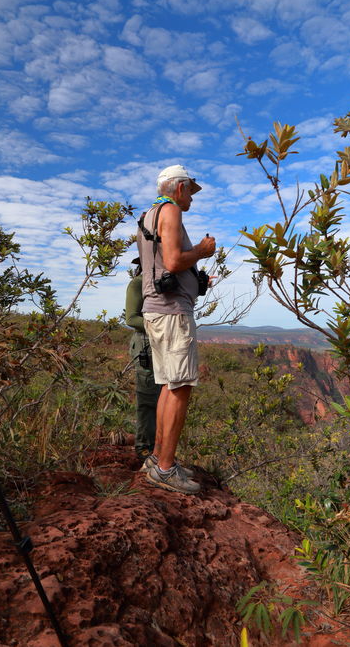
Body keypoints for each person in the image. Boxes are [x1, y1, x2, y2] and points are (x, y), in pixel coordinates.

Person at [136, 164, 216, 494]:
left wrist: (194, 277)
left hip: (157, 310)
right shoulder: (170, 211)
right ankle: (166, 469)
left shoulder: (149, 215)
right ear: (180, 188)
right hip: (172, 313)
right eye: (191, 192)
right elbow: (171, 262)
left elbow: (160, 264)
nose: (192, 198)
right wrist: (201, 251)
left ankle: (158, 458)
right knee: (181, 386)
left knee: (170, 385)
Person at [125, 258, 161, 461]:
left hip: (161, 345)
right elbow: (131, 318)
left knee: (162, 397)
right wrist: (161, 326)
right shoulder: (138, 283)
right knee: (148, 398)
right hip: (146, 345)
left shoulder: (160, 283)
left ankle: (157, 446)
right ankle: (144, 448)